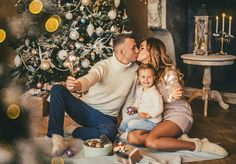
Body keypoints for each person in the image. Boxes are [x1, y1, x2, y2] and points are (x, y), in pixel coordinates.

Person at [125, 38, 228, 155]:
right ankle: (170, 140)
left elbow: (174, 85)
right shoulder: (142, 74)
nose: (138, 50)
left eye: (142, 47)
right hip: (156, 117)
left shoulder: (168, 71)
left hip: (176, 113)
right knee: (133, 137)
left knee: (151, 142)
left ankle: (198, 145)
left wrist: (175, 92)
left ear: (153, 51)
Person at [47, 34, 139, 156]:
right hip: (84, 109)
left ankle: (76, 130)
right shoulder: (104, 66)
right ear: (122, 52)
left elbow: (130, 100)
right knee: (57, 89)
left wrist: (125, 128)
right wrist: (78, 85)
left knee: (110, 133)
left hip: (105, 118)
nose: (137, 50)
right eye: (134, 47)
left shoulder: (135, 70)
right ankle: (58, 139)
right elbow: (90, 78)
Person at [119, 63, 163, 133]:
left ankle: (126, 135)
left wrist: (148, 115)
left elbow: (159, 108)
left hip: (152, 122)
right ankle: (120, 132)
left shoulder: (154, 93)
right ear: (139, 78)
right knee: (126, 119)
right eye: (143, 77)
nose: (146, 79)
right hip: (141, 116)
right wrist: (134, 108)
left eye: (149, 77)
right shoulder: (140, 90)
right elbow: (138, 103)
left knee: (131, 123)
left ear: (154, 78)